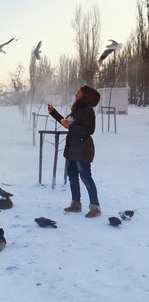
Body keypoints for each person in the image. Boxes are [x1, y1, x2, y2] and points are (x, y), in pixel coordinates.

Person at [48, 85, 101, 218]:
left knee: (85, 177)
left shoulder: (88, 110)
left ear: (85, 96)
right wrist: (53, 112)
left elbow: (90, 130)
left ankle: (95, 207)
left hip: (83, 149)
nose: (75, 94)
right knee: (72, 177)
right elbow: (66, 123)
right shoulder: (77, 110)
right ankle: (76, 204)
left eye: (78, 92)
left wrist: (71, 127)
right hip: (72, 148)